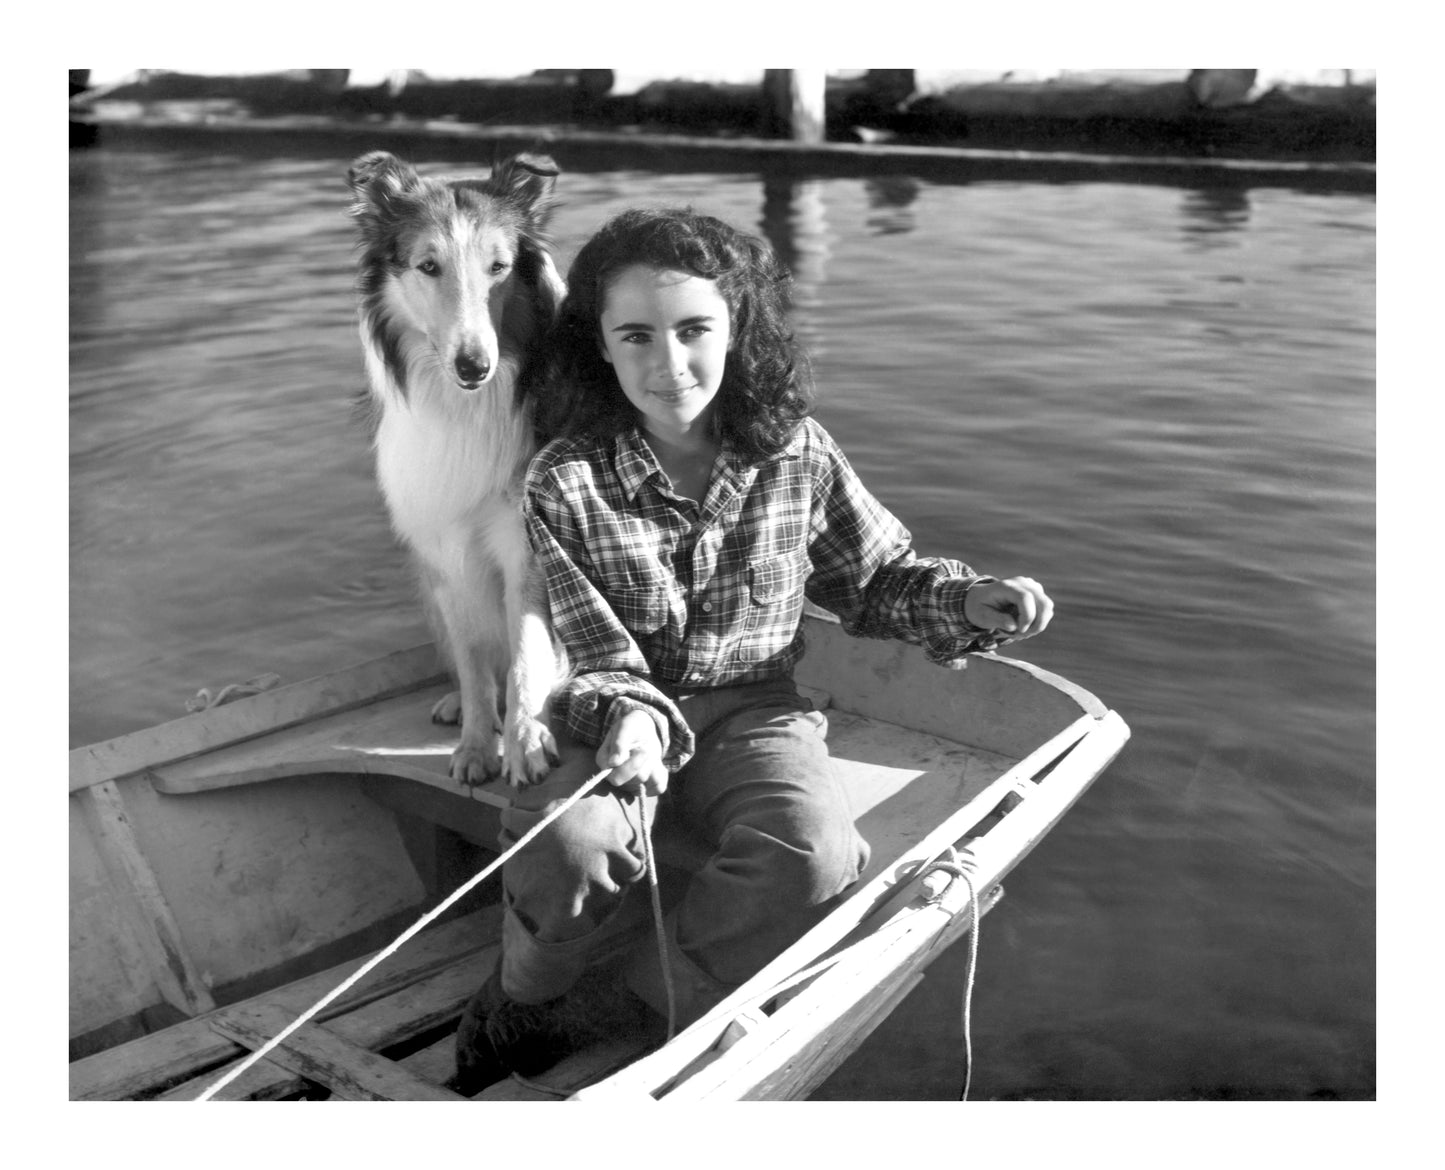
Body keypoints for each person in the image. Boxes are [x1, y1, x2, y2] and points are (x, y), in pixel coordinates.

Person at [453, 206, 1053, 1089]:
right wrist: (629, 714)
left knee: (813, 859)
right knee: (567, 847)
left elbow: (875, 578)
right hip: (603, 715)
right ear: (601, 348)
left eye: (695, 330)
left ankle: (637, 999)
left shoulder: (795, 450)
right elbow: (588, 647)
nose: (669, 365)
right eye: (636, 337)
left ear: (739, 328)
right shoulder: (563, 478)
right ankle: (522, 998)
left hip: (754, 707)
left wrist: (968, 599)